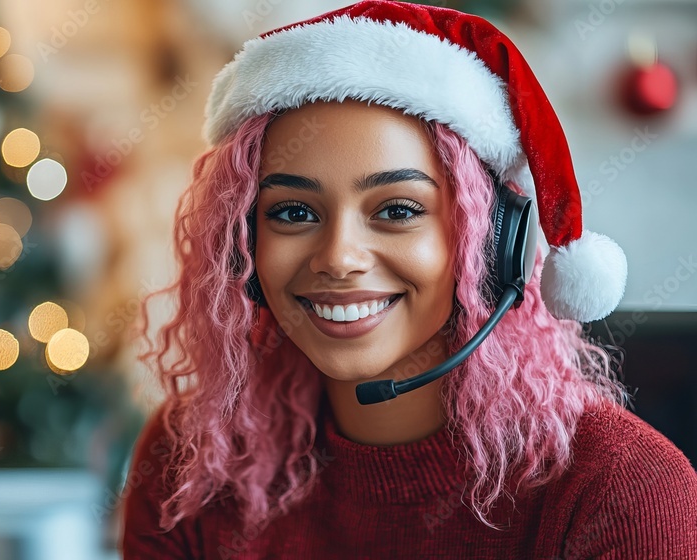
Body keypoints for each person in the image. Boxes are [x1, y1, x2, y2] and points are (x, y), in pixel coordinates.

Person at [120, 1, 697, 558]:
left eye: (397, 210)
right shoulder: (190, 459)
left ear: (493, 243)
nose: (339, 258)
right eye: (293, 212)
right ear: (241, 245)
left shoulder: (624, 491)